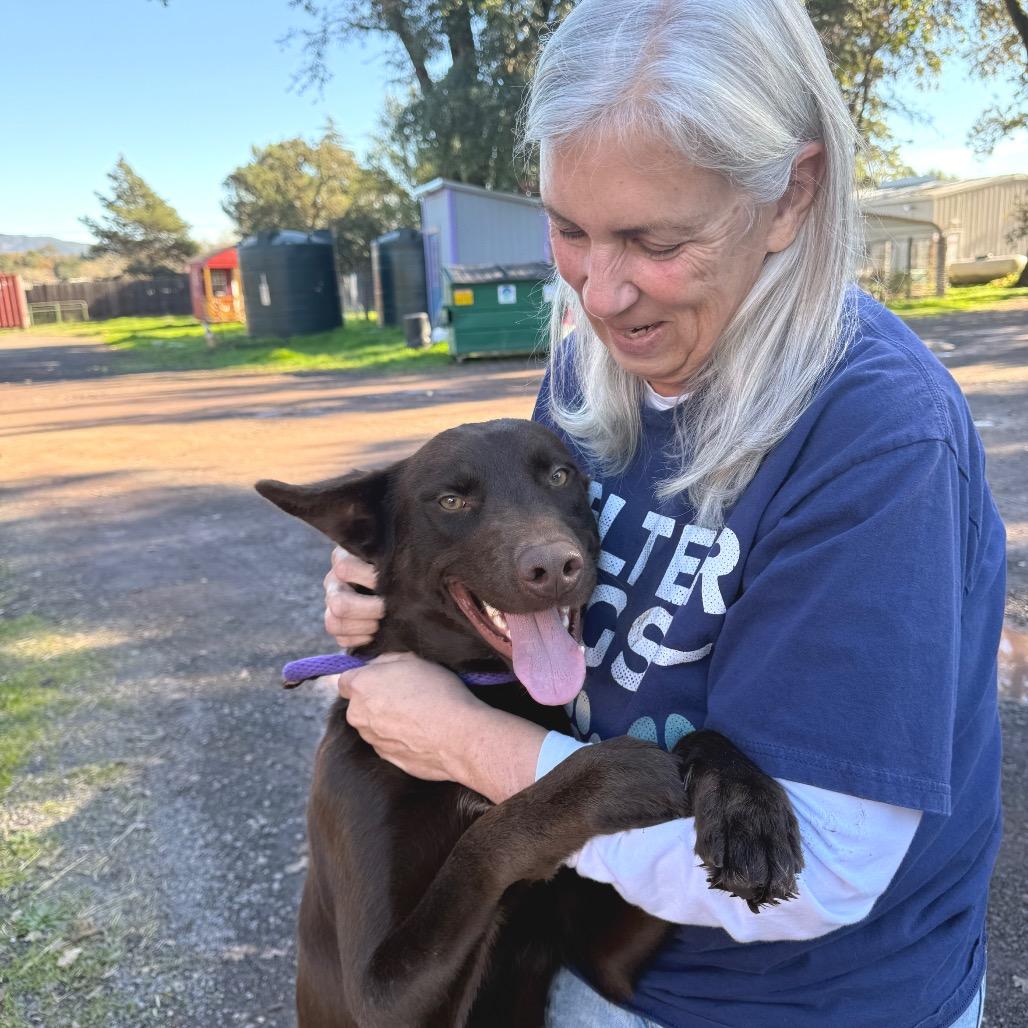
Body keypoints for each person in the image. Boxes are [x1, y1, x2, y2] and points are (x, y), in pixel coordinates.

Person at [318, 1, 1004, 1025]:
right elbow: (529, 587)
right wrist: (400, 577)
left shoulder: (873, 433)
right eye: (568, 229)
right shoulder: (593, 371)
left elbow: (812, 870)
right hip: (582, 956)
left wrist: (463, 741)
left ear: (789, 195)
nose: (599, 293)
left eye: (652, 238)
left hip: (787, 1005)